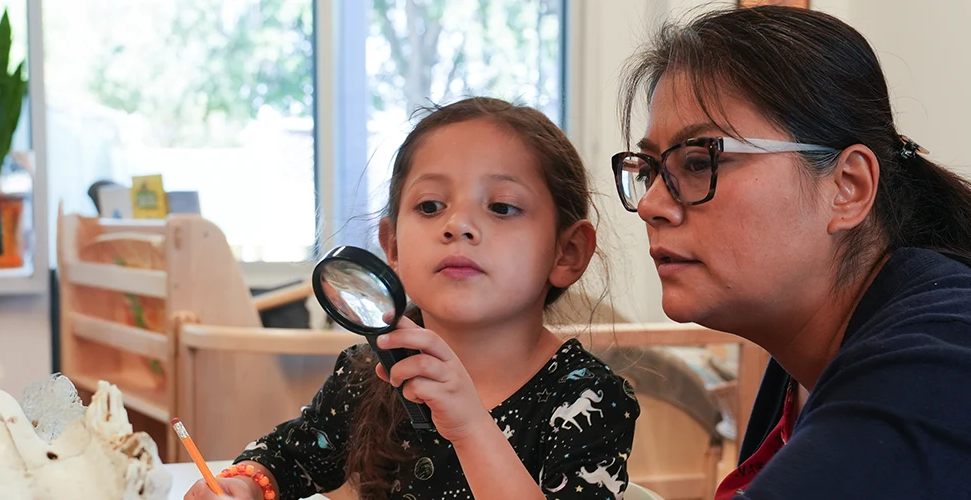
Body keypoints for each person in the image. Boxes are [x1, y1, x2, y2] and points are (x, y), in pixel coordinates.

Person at [612, 6, 971, 499]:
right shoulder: (802, 364)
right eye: (650, 169)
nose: (652, 205)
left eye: (697, 161)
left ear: (849, 187)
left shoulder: (962, 359)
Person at [183, 97, 640, 500]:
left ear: (567, 251)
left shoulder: (589, 397)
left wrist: (470, 428)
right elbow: (291, 456)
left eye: (501, 206)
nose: (457, 224)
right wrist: (246, 483)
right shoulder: (369, 373)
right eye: (430, 206)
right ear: (394, 247)